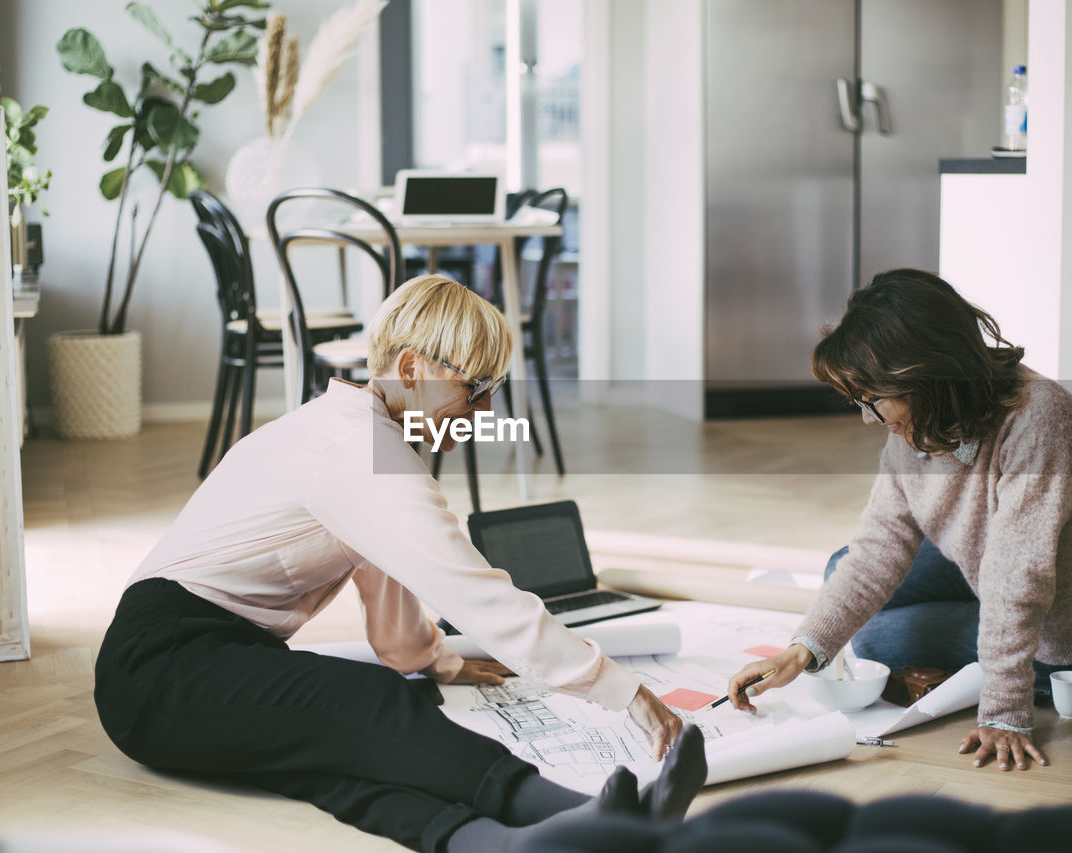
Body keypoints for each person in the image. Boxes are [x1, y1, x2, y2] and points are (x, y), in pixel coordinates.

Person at [94, 275, 707, 853]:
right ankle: (584, 820)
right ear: (412, 370)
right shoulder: (355, 450)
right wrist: (623, 692)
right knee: (367, 703)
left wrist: (437, 661)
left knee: (334, 756)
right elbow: (476, 594)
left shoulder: (360, 442)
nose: (485, 411)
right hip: (159, 669)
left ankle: (503, 844)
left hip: (205, 660)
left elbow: (390, 610)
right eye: (476, 388)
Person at [726, 269, 1072, 774]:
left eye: (873, 399)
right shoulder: (915, 426)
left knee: (878, 641)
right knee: (841, 571)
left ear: (923, 377)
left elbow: (1018, 580)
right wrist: (797, 653)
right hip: (999, 562)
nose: (868, 418)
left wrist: (1004, 712)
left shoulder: (1040, 422)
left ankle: (1023, 670)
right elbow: (875, 552)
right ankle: (977, 631)